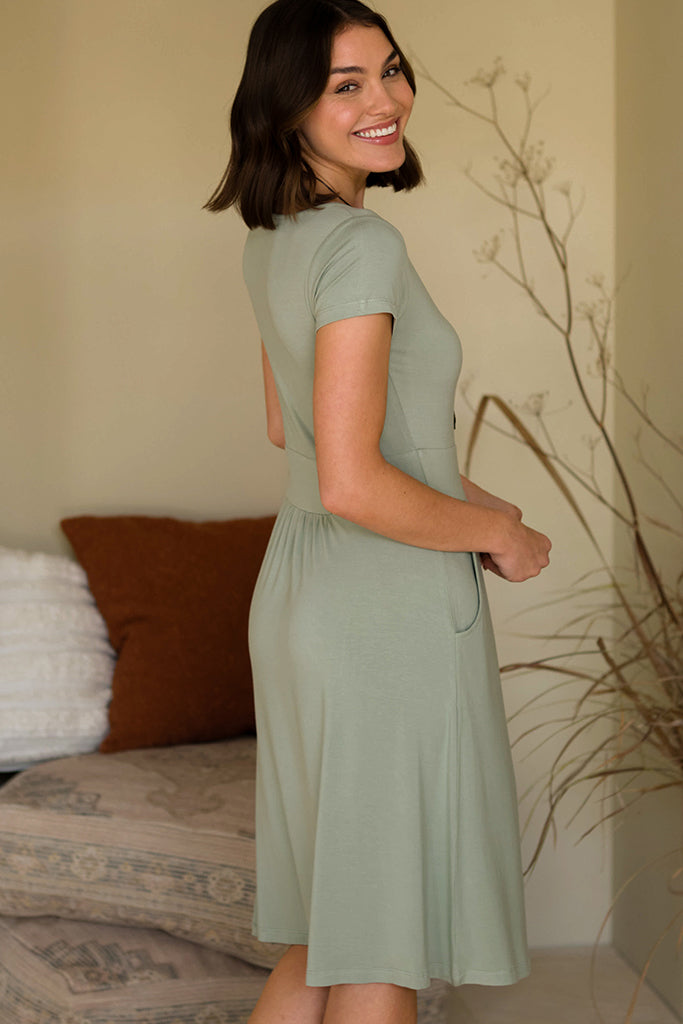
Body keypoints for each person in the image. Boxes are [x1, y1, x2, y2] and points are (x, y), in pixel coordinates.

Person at [205, 1, 552, 1021]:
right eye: (343, 83)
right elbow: (353, 480)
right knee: (379, 938)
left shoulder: (270, 240)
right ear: (287, 109)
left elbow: (297, 438)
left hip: (304, 597)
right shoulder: (358, 247)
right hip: (377, 616)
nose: (384, 98)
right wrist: (495, 530)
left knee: (336, 929)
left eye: (389, 70)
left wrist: (488, 503)